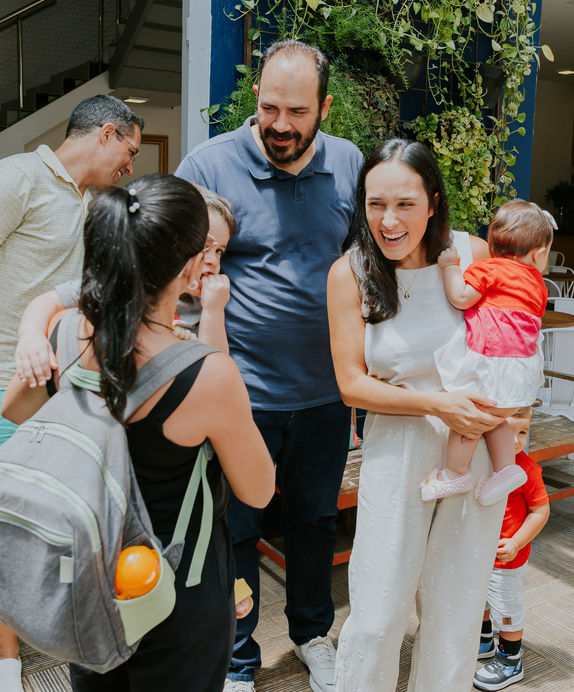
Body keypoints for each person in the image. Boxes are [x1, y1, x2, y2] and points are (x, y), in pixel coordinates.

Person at [1, 175, 274, 692]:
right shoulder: (205, 372)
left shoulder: (65, 331)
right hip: (177, 587)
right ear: (190, 265)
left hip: (91, 575)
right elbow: (258, 490)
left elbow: (16, 407)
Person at [0, 95, 144, 692]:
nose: (130, 165)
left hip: (70, 391)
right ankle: (4, 658)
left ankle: (66, 630)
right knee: (7, 526)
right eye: (129, 150)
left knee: (71, 519)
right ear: (106, 133)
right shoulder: (16, 178)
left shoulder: (92, 202)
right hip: (6, 389)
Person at [175, 39, 363, 692]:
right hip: (238, 395)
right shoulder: (208, 166)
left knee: (315, 522)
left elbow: (365, 267)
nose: (280, 125)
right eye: (269, 108)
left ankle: (313, 635)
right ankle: (236, 657)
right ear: (255, 96)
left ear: (324, 108)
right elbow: (170, 268)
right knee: (235, 528)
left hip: (325, 394)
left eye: (297, 112)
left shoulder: (349, 164)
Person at [328, 139, 510, 692]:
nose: (388, 221)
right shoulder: (351, 272)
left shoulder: (472, 253)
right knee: (377, 613)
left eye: (405, 204)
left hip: (475, 447)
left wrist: (511, 416)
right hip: (398, 444)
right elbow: (351, 385)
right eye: (375, 204)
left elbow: (510, 340)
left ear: (433, 201)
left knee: (456, 609)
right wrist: (436, 402)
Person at [11, 186, 237, 403]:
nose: (213, 260)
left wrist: (213, 311)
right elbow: (48, 301)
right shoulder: (122, 281)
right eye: (204, 246)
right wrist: (31, 336)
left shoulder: (205, 303)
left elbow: (214, 371)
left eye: (219, 251)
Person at [421, 200, 556, 506]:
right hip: (523, 370)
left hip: (491, 363)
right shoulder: (538, 283)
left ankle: (456, 473)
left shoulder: (489, 268)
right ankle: (506, 468)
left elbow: (460, 297)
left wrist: (450, 267)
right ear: (538, 254)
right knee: (496, 418)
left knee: (469, 419)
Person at [473, 416, 549, 692]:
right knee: (478, 601)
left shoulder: (526, 469)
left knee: (507, 613)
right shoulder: (482, 462)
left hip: (507, 561)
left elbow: (541, 511)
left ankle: (510, 661)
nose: (516, 441)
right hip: (480, 553)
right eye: (507, 432)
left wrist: (516, 542)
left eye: (523, 432)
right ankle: (483, 642)